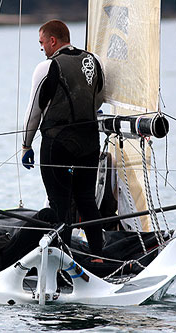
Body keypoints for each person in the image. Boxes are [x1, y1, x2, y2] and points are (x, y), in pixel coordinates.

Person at [21, 20, 105, 259]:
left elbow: (33, 111)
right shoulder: (93, 61)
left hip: (58, 145)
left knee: (60, 204)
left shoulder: (47, 67)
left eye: (42, 43)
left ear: (53, 41)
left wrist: (26, 145)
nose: (41, 48)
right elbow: (97, 100)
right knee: (87, 200)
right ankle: (99, 256)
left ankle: (63, 261)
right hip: (89, 143)